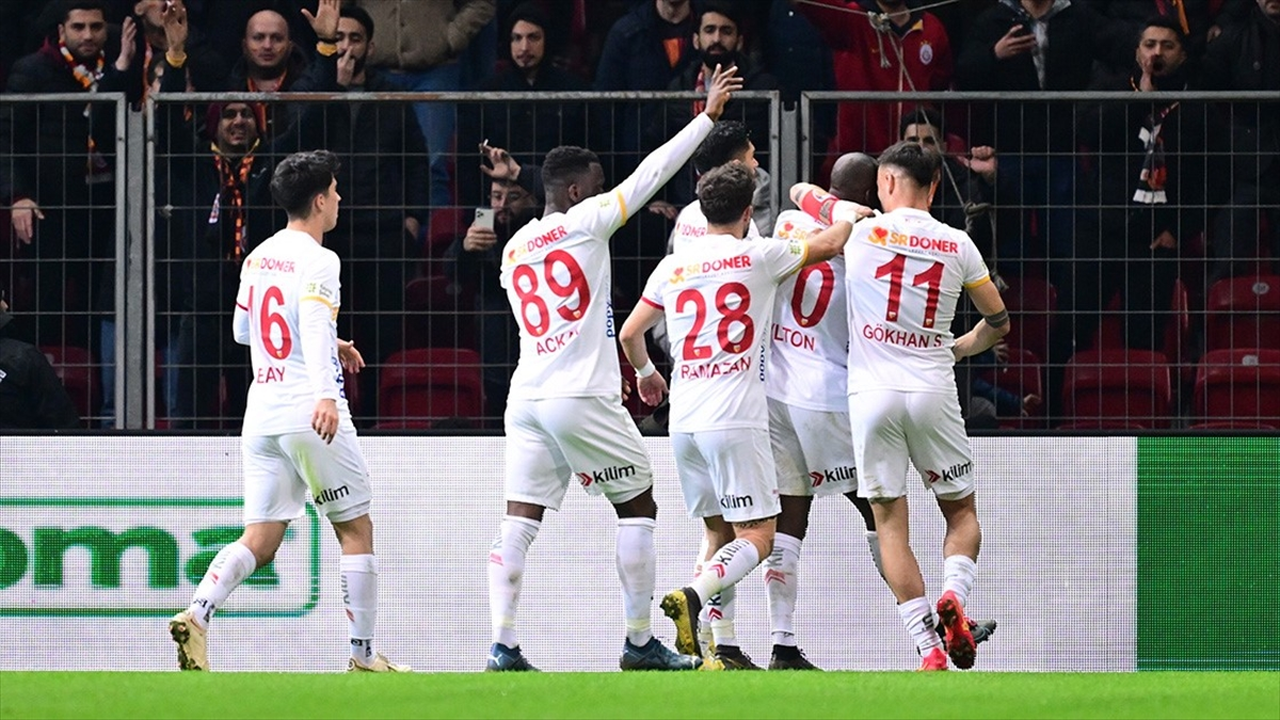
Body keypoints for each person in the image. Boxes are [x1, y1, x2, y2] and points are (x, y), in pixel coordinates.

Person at [483, 63, 742, 673]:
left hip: (527, 397)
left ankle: (502, 644)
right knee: (639, 504)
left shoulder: (515, 248)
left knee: (519, 518)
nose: (606, 192)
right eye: (598, 185)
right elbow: (651, 174)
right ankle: (638, 642)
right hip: (581, 394)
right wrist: (706, 118)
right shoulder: (588, 220)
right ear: (578, 192)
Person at [618, 163, 869, 670]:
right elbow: (829, 244)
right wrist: (850, 214)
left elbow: (630, 333)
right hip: (734, 417)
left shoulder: (673, 266)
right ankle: (692, 595)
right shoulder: (758, 255)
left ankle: (721, 647)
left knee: (717, 534)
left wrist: (647, 373)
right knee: (758, 535)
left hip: (684, 421)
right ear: (748, 213)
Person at [168, 150, 407, 673]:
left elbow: (243, 331)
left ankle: (198, 613)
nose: (340, 198)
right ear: (319, 200)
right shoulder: (321, 260)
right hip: (308, 410)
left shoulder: (258, 256)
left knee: (261, 538)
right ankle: (363, 656)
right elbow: (314, 323)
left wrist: (322, 342)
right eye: (336, 191)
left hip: (262, 414)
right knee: (355, 530)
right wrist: (325, 392)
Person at [795, 140, 1009, 671]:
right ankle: (954, 597)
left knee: (890, 524)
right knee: (961, 513)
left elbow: (802, 194)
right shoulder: (958, 243)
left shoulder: (859, 231)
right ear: (935, 186)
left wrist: (844, 208)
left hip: (871, 395)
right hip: (933, 388)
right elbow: (999, 320)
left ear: (885, 183)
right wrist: (959, 348)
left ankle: (929, 648)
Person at [1, 0, 140, 424]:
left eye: (96, 27)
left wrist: (121, 70)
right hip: (49, 208)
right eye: (78, 27)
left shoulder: (117, 66)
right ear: (61, 30)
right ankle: (32, 408)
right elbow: (7, 139)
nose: (88, 35)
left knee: (99, 309)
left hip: (104, 207)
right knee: (46, 306)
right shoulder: (32, 71)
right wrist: (18, 195)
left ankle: (102, 413)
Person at [314, 2, 430, 422]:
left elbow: (417, 162)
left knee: (380, 340)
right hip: (332, 236)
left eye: (355, 38)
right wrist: (334, 89)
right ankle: (336, 417)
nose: (347, 46)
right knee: (328, 336)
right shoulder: (315, 89)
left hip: (383, 236)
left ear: (371, 46)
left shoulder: (391, 95)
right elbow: (301, 139)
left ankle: (377, 424)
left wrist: (413, 220)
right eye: (339, 38)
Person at [1074, 16, 1217, 353]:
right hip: (1102, 232)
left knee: (1144, 338)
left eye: (1167, 46)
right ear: (1138, 52)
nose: (1157, 53)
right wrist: (1139, 99)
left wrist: (1179, 230)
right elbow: (1087, 133)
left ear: (1182, 54)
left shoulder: (1197, 105)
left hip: (1155, 239)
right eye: (1149, 45)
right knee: (1074, 327)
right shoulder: (1110, 89)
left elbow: (1213, 178)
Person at [356, 0, 497, 208]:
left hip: (436, 71)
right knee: (374, 164)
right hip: (375, 70)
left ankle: (433, 229)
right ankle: (381, 228)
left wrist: (451, 37)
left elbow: (483, 3)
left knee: (433, 165)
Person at [791, 0, 954, 167]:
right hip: (859, 153)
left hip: (913, 159)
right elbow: (811, 6)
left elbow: (939, 87)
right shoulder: (852, 17)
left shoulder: (932, 27)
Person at [446, 144, 543, 422]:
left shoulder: (542, 226)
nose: (502, 205)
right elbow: (452, 274)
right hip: (495, 344)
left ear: (533, 199)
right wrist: (465, 249)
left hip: (536, 341)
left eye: (513, 197)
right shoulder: (482, 228)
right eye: (496, 197)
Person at [652, 1, 778, 210]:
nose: (717, 39)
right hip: (686, 203)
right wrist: (657, 197)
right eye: (709, 30)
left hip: (749, 204)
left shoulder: (762, 87)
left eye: (726, 31)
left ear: (739, 41)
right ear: (696, 39)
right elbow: (658, 144)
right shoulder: (679, 88)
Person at [1201, 0, 1280, 283]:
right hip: (1244, 166)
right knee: (1229, 262)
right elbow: (1205, 91)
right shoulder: (1233, 37)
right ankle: (1216, 312)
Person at [0, 298, 81, 430]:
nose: (6, 305)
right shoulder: (24, 357)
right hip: (22, 442)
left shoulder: (23, 357)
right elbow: (63, 423)